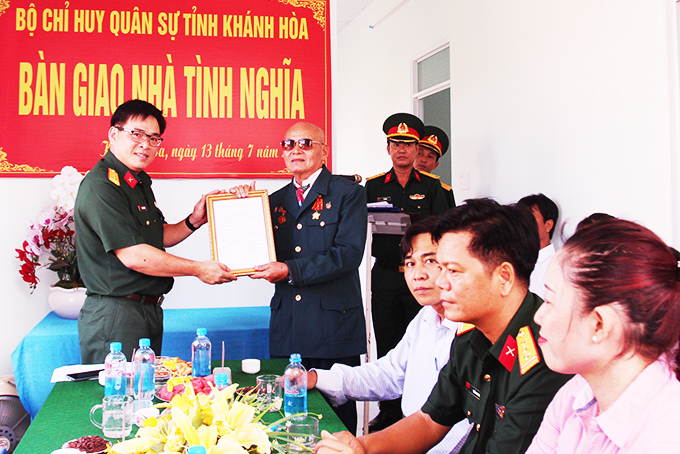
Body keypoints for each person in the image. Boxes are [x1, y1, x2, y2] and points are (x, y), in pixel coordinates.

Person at [315, 198, 572, 454]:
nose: (440, 283)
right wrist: (361, 446)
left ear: (503, 277)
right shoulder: (469, 336)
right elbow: (429, 421)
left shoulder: (545, 358)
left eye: (453, 271)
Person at [75, 99, 236, 364]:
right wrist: (198, 269)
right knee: (120, 390)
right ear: (113, 134)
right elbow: (135, 255)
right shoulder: (102, 186)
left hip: (145, 311)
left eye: (153, 138)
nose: (145, 144)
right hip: (116, 315)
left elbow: (156, 236)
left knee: (144, 387)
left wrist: (194, 221)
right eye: (136, 134)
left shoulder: (136, 182)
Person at [232, 121, 367, 433]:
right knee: (286, 415)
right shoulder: (274, 200)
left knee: (336, 420)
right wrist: (244, 208)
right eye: (288, 144)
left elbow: (348, 254)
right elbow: (254, 249)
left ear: (324, 152)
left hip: (332, 326)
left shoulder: (348, 194)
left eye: (305, 143)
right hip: (289, 324)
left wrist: (290, 270)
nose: (296, 150)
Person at [308, 217, 472, 453]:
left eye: (430, 261)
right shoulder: (425, 317)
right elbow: (389, 374)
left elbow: (455, 434)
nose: (418, 274)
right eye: (410, 263)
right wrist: (317, 378)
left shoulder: (474, 330)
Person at [527, 219, 680, 453]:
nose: (539, 316)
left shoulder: (664, 440)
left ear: (599, 324)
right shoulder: (575, 394)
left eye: (550, 301)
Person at [365, 113, 450, 432]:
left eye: (408, 144)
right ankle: (389, 412)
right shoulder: (373, 186)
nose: (402, 149)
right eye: (396, 144)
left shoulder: (433, 186)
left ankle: (424, 410)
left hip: (424, 276)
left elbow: (446, 232)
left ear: (417, 149)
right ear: (388, 148)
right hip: (386, 275)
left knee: (427, 343)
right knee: (388, 341)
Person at [517, 193, 559, 299]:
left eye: (530, 219)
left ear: (548, 225)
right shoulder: (513, 257)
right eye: (520, 220)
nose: (523, 225)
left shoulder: (556, 266)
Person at [415, 125, 455, 209]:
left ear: (435, 165)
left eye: (430, 156)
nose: (424, 160)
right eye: (419, 154)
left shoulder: (444, 192)